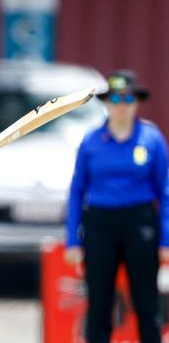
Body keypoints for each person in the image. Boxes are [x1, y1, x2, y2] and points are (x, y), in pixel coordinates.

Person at [64, 70, 169, 343]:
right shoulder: (91, 141)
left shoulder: (151, 138)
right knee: (99, 302)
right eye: (115, 98)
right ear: (106, 103)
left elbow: (165, 191)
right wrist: (73, 240)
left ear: (136, 101)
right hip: (100, 224)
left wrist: (166, 240)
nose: (122, 104)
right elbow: (76, 192)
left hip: (140, 223)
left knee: (146, 302)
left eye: (128, 97)